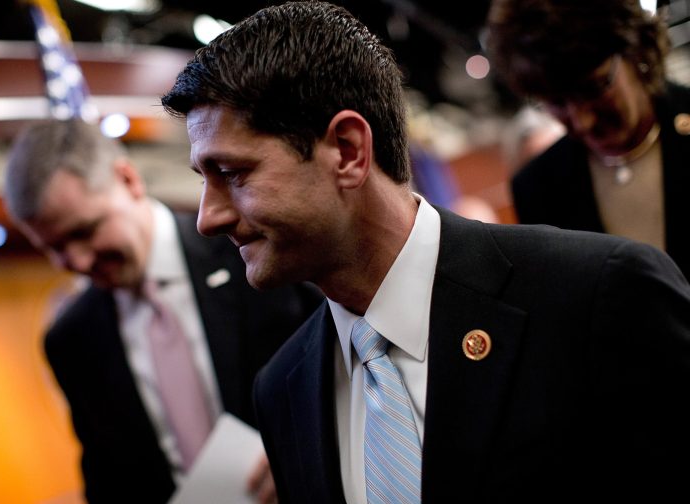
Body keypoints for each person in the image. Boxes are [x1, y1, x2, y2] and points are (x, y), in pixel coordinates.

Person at [162, 1, 690, 502]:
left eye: (232, 174)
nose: (208, 218)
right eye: (203, 180)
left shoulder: (598, 296)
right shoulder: (283, 390)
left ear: (347, 151)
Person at [2, 119, 322, 504]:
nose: (79, 260)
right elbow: (107, 481)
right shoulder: (72, 340)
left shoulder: (250, 255)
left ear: (128, 180)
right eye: (54, 248)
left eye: (84, 231)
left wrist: (302, 448)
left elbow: (339, 370)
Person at [487, 0, 690, 278]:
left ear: (636, 49)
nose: (583, 121)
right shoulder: (539, 187)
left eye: (593, 87)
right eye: (557, 102)